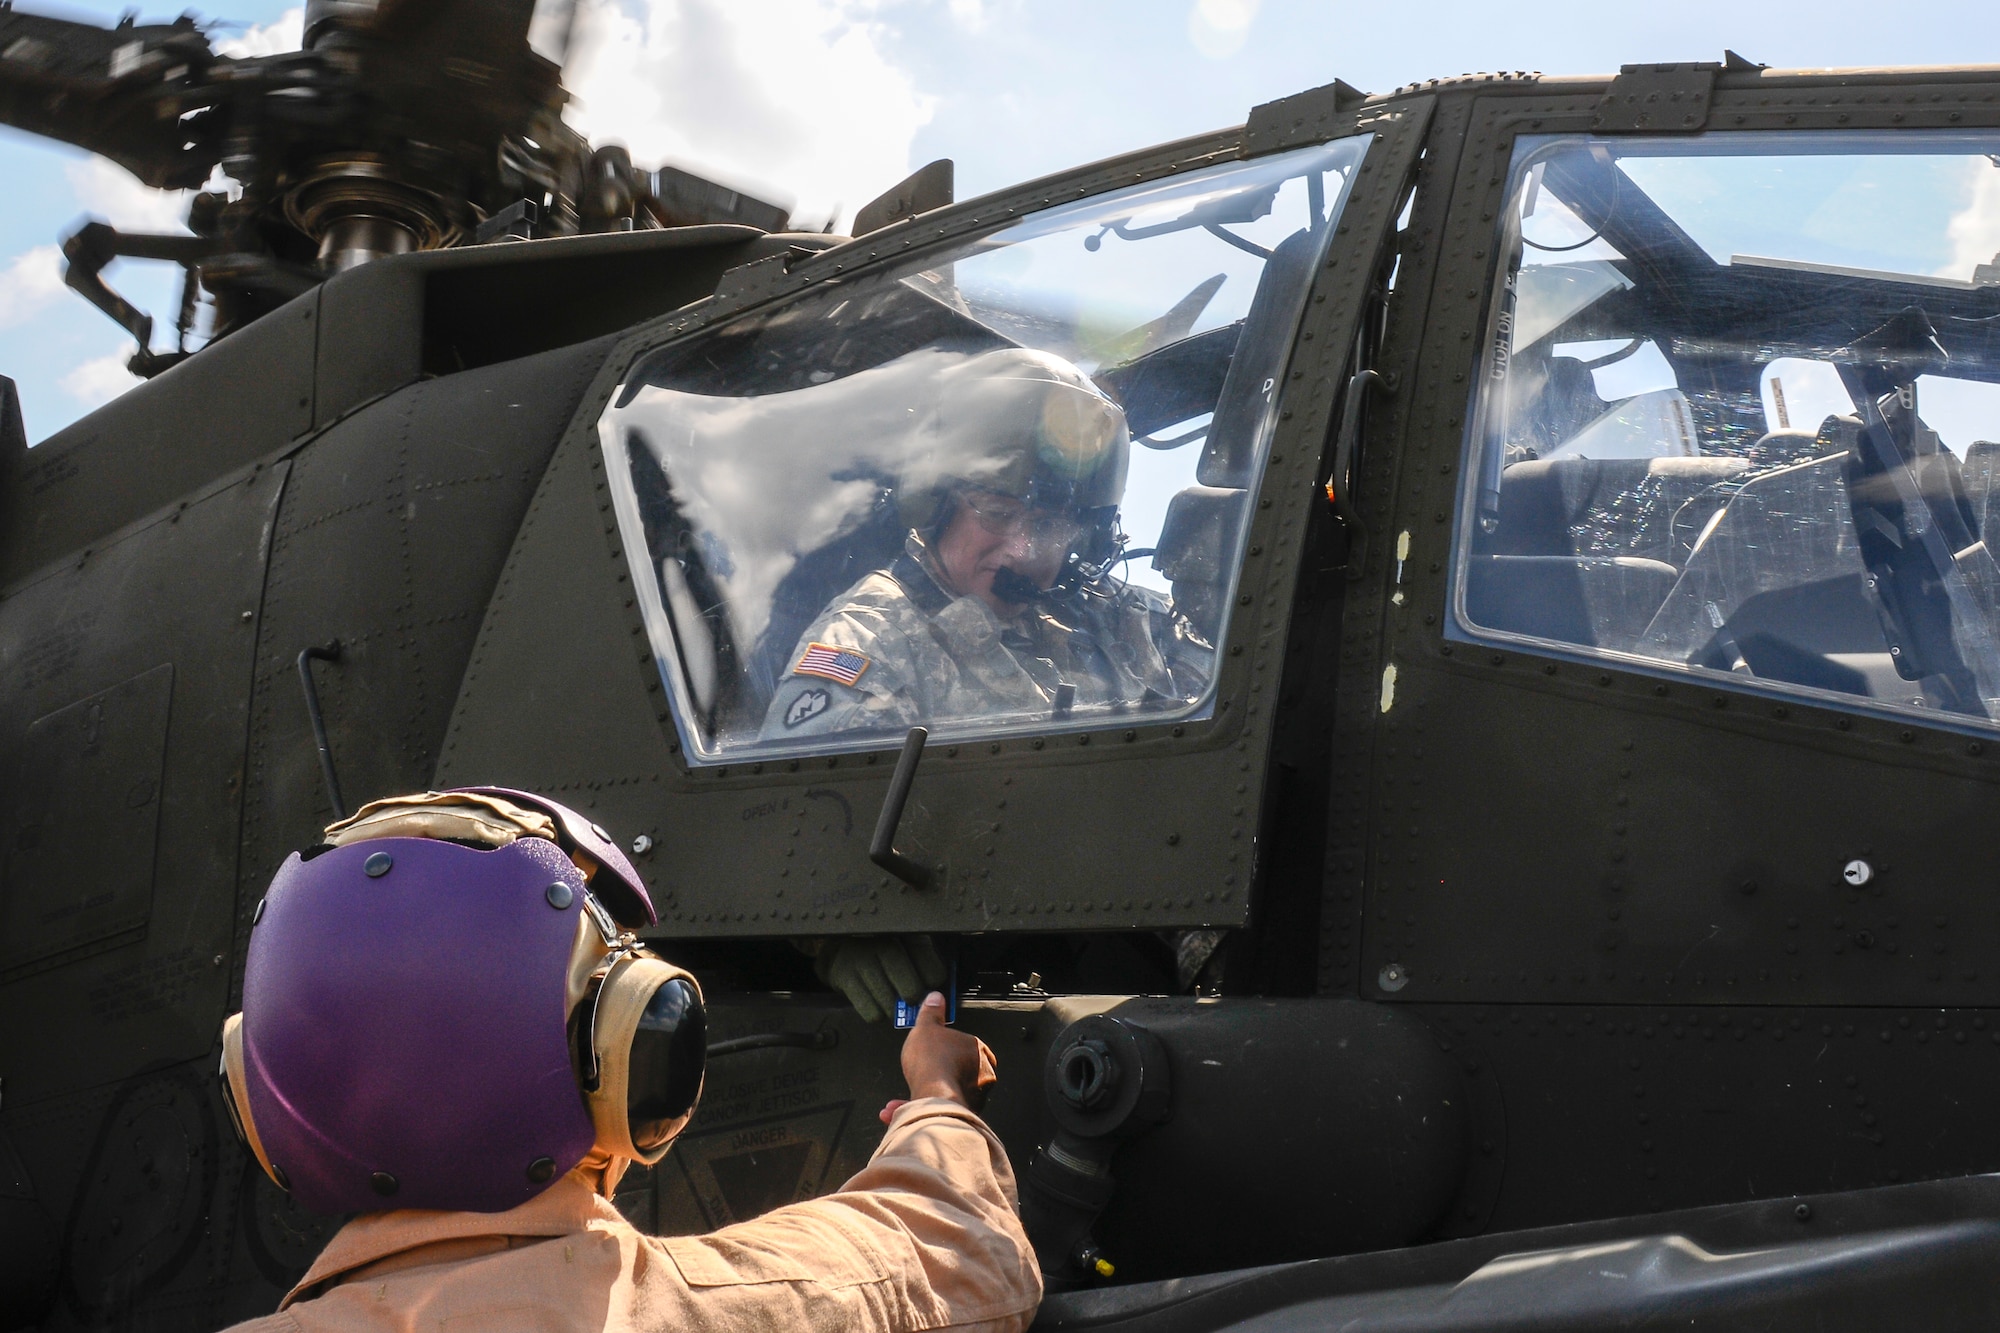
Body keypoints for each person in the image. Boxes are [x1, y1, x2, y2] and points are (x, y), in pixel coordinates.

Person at [219, 788, 1040, 1333]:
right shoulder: (713, 1309)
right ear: (638, 1057)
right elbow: (955, 1245)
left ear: (264, 1103)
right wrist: (939, 1094)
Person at [759, 347, 1212, 744]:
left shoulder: (1115, 615)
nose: (1021, 550)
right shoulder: (869, 644)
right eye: (997, 514)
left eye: (1050, 526)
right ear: (936, 507)